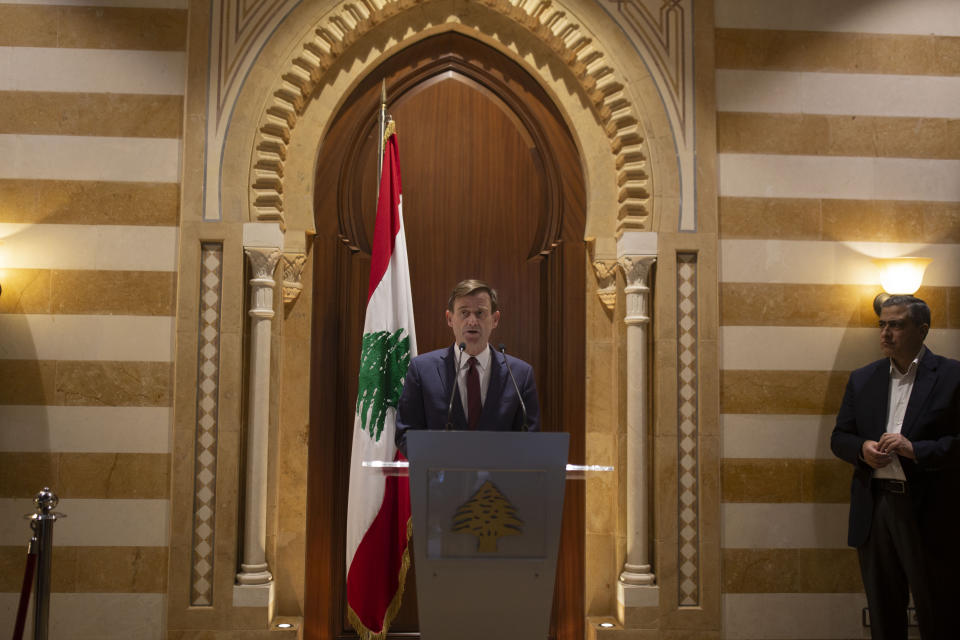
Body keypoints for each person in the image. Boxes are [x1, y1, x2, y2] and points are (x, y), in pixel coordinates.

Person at [831, 295, 960, 639]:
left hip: (928, 511)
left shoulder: (952, 375)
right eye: (882, 325)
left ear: (922, 330)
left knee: (939, 612)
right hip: (875, 509)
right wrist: (862, 449)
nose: (886, 333)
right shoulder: (863, 379)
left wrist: (915, 449)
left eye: (896, 325)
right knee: (884, 616)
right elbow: (839, 436)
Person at [395, 279, 540, 454]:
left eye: (480, 313)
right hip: (441, 478)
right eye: (464, 313)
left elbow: (531, 439)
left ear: (495, 319)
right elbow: (405, 434)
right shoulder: (422, 370)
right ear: (450, 318)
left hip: (498, 480)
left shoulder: (520, 375)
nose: (472, 321)